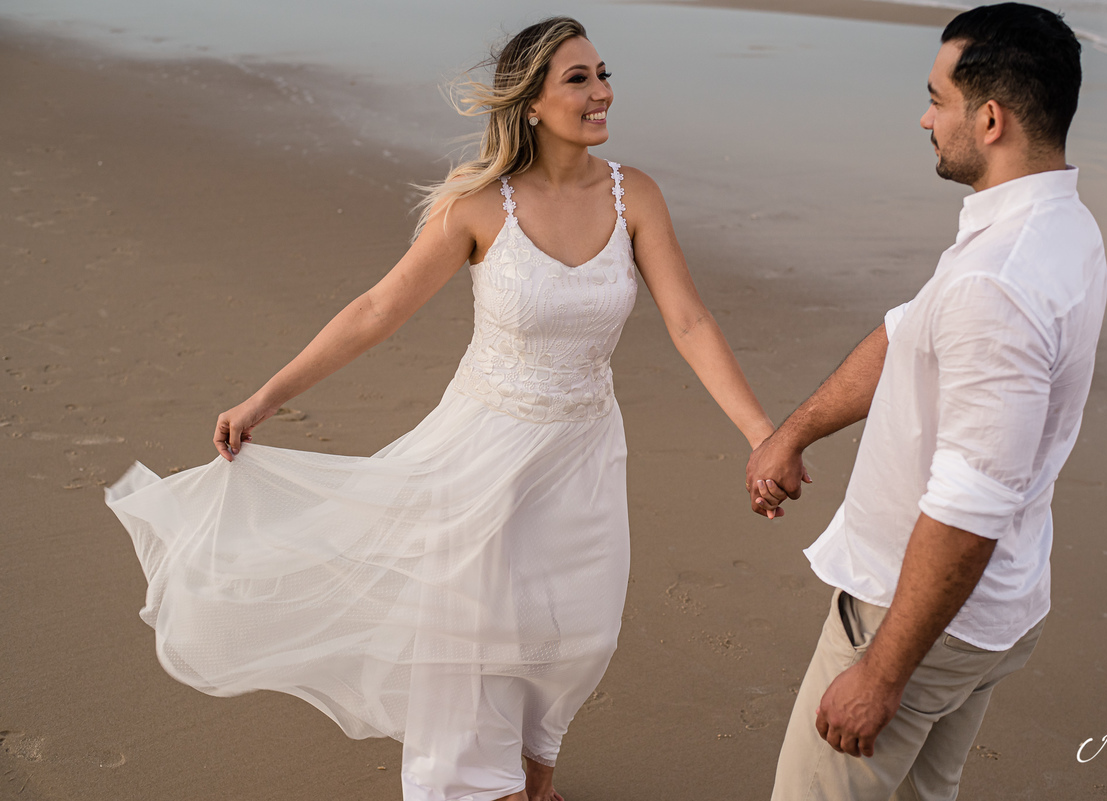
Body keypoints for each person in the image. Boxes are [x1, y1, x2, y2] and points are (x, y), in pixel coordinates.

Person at [105, 16, 775, 801]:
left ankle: (534, 778)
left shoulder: (636, 197)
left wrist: (764, 434)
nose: (603, 93)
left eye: (603, 73)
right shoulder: (478, 206)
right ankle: (475, 786)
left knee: (575, 634)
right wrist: (267, 396)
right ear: (531, 102)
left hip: (585, 452)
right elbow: (376, 308)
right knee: (476, 633)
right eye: (579, 79)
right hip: (481, 452)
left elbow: (690, 322)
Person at [745, 4, 1107, 799]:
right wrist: (793, 432)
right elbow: (911, 332)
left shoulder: (998, 280)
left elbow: (970, 501)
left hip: (914, 620)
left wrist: (881, 670)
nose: (924, 117)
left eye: (937, 99)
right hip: (988, 610)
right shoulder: (1058, 224)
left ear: (989, 117)